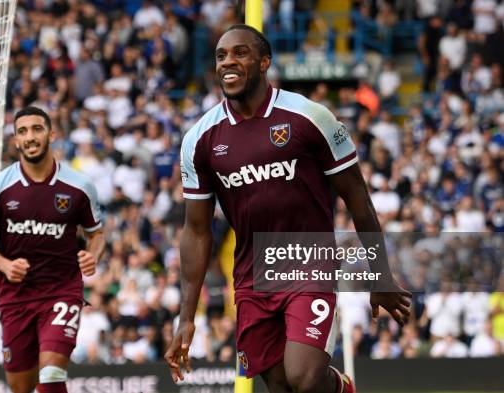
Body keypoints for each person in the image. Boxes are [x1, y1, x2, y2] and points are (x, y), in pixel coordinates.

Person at [165, 25, 411, 393]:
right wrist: (186, 316)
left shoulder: (309, 117)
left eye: (240, 53)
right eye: (221, 56)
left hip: (311, 264)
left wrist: (381, 275)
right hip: (252, 279)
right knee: (281, 385)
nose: (228, 62)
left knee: (304, 378)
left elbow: (358, 197)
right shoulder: (199, 140)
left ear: (264, 62)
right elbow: (197, 231)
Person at [0, 106, 105, 393]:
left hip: (61, 291)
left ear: (51, 134)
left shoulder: (79, 186)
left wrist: (93, 254)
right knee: (21, 387)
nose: (30, 136)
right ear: (16, 141)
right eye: (22, 131)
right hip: (15, 296)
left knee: (52, 373)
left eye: (37, 129)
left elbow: (97, 234)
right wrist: (4, 265)